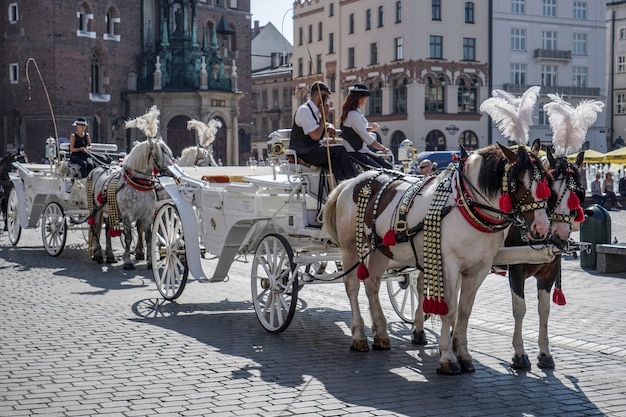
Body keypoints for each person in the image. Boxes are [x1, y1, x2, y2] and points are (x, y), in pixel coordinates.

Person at [290, 81, 358, 181]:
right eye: (327, 98)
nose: (327, 101)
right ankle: (355, 181)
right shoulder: (304, 110)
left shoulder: (314, 111)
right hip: (304, 152)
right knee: (340, 150)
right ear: (322, 97)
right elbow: (316, 135)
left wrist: (329, 125)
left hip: (311, 150)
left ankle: (342, 184)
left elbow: (318, 125)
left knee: (336, 161)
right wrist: (324, 117)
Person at [338, 83, 392, 170]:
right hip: (355, 153)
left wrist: (370, 129)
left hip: (361, 151)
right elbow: (368, 139)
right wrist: (383, 149)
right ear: (361, 99)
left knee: (387, 166)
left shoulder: (353, 113)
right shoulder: (354, 115)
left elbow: (356, 130)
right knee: (380, 171)